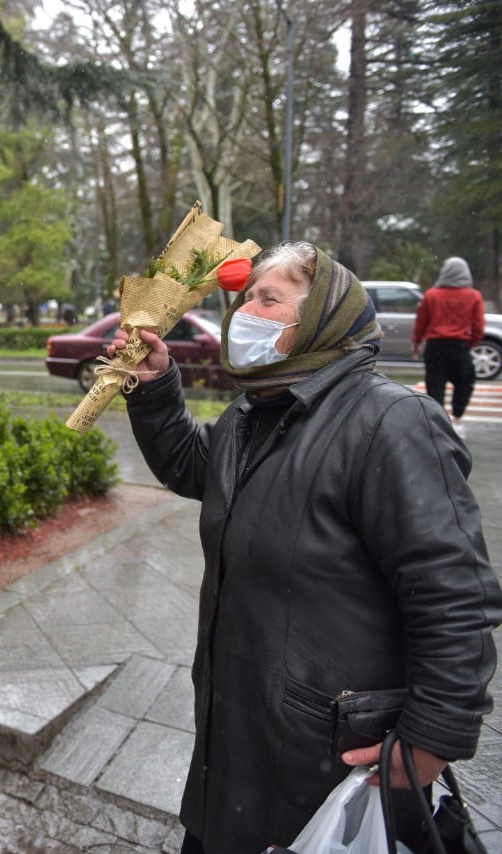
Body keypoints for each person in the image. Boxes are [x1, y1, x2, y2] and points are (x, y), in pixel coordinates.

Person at [106, 242, 501, 852]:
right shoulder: (253, 412)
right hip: (235, 737)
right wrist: (155, 383)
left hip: (324, 756)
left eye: (271, 299)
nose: (246, 312)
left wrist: (431, 739)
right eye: (245, 298)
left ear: (323, 317)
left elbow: (454, 595)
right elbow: (191, 466)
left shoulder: (391, 422)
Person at [413, 256, 485, 437]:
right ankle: (457, 418)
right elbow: (478, 326)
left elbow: (422, 322)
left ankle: (437, 422)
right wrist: (470, 342)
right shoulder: (473, 296)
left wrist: (416, 343)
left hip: (436, 346)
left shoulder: (431, 295)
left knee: (435, 385)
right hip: (460, 346)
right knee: (465, 382)